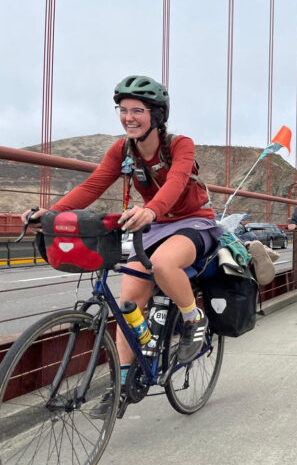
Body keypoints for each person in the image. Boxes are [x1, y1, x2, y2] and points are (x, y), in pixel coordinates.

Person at [22, 75, 221, 382]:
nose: (128, 117)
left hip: (193, 222)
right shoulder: (122, 151)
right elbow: (93, 185)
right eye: (123, 109)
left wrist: (151, 209)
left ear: (156, 116)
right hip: (152, 225)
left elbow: (176, 182)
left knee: (163, 264)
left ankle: (194, 319)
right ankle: (124, 382)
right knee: (129, 304)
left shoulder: (180, 145)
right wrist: (53, 212)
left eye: (137, 110)